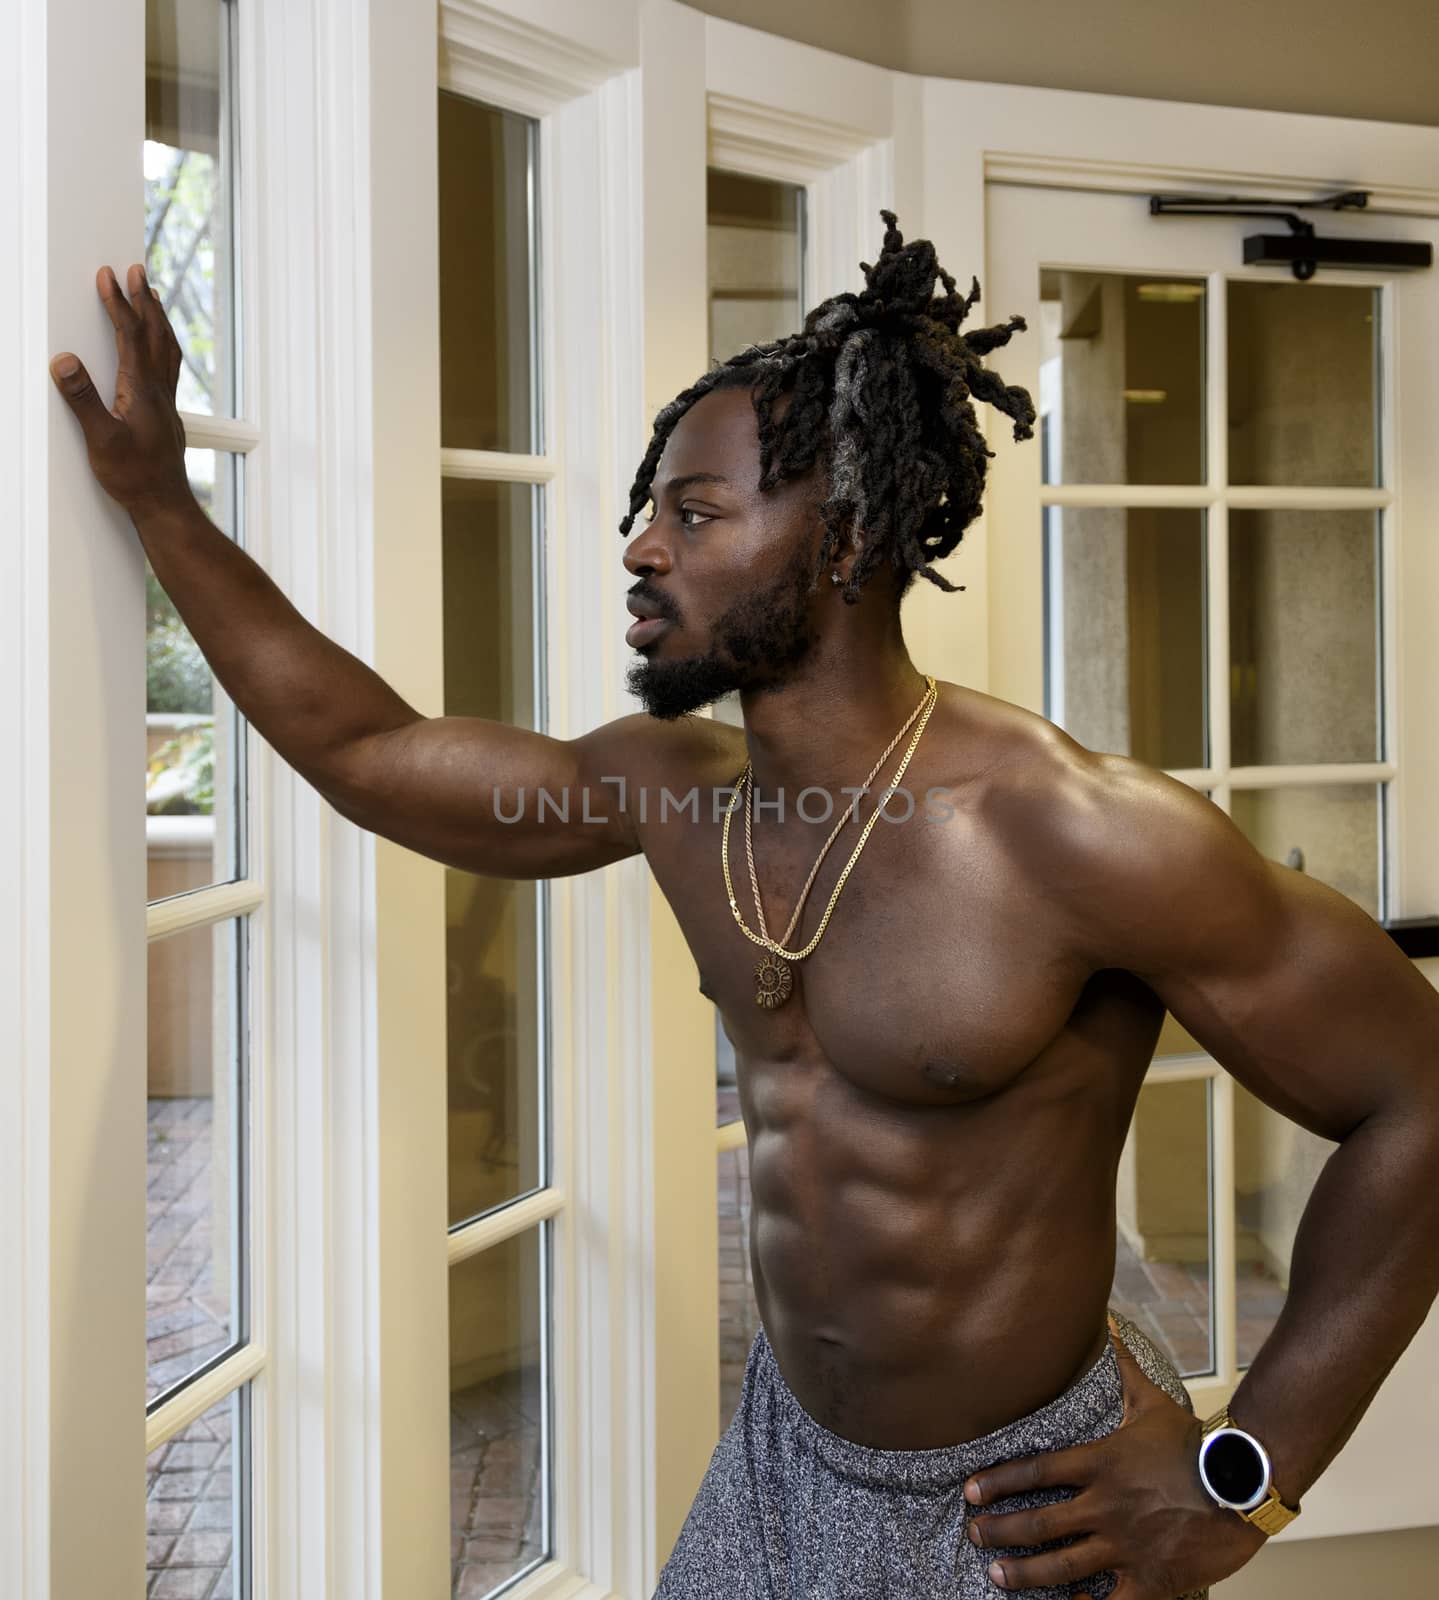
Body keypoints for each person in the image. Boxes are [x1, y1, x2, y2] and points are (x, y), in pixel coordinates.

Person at [51, 213, 1439, 1600]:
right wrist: (163, 504)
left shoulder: (1074, 833)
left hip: (1029, 1506)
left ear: (843, 538)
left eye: (695, 514)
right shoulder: (675, 795)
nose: (642, 548)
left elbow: (1419, 1098)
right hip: (785, 1461)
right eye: (650, 513)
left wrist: (1240, 1476)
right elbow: (368, 754)